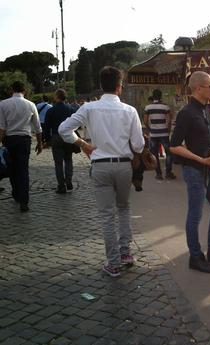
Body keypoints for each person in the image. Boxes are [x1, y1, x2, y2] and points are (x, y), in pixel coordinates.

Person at [59, 66, 144, 277]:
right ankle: (126, 254)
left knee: (107, 216)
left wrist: (82, 144)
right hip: (124, 166)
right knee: (123, 209)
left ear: (100, 86)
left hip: (100, 165)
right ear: (119, 86)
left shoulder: (89, 108)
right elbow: (139, 145)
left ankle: (113, 263)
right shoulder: (130, 110)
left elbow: (63, 129)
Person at [170, 71, 210, 273]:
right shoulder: (187, 112)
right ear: (198, 88)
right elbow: (173, 146)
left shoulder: (205, 109)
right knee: (195, 215)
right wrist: (201, 160)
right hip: (195, 171)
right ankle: (195, 256)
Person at [0, 81, 42, 212]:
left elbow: (1, 127)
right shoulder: (31, 105)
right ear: (25, 91)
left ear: (12, 89)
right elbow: (38, 127)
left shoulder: (2, 104)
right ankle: (24, 200)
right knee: (23, 170)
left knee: (12, 168)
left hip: (9, 139)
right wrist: (40, 143)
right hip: (24, 140)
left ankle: (16, 193)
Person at [43, 89, 76, 194]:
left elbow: (47, 127)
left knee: (58, 163)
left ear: (57, 97)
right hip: (69, 136)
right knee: (68, 160)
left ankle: (61, 186)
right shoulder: (71, 109)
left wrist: (47, 140)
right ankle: (69, 181)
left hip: (56, 137)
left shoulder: (51, 110)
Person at [144, 89, 176, 180]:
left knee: (154, 154)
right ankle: (168, 173)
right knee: (168, 153)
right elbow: (169, 120)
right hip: (164, 134)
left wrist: (150, 129)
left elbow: (146, 121)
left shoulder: (148, 108)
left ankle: (159, 174)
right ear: (161, 96)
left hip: (153, 134)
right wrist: (168, 130)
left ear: (153, 97)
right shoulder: (165, 107)